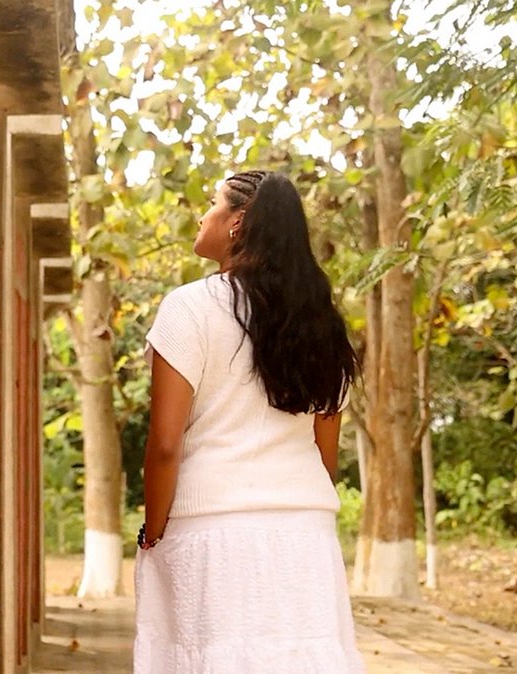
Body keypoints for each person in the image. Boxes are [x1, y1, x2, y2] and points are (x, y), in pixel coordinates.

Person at [133, 170, 366, 673]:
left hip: (212, 534)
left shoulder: (189, 308)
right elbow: (326, 455)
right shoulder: (320, 323)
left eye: (212, 203)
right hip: (305, 536)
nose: (202, 214)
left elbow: (166, 443)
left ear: (238, 223)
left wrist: (152, 533)